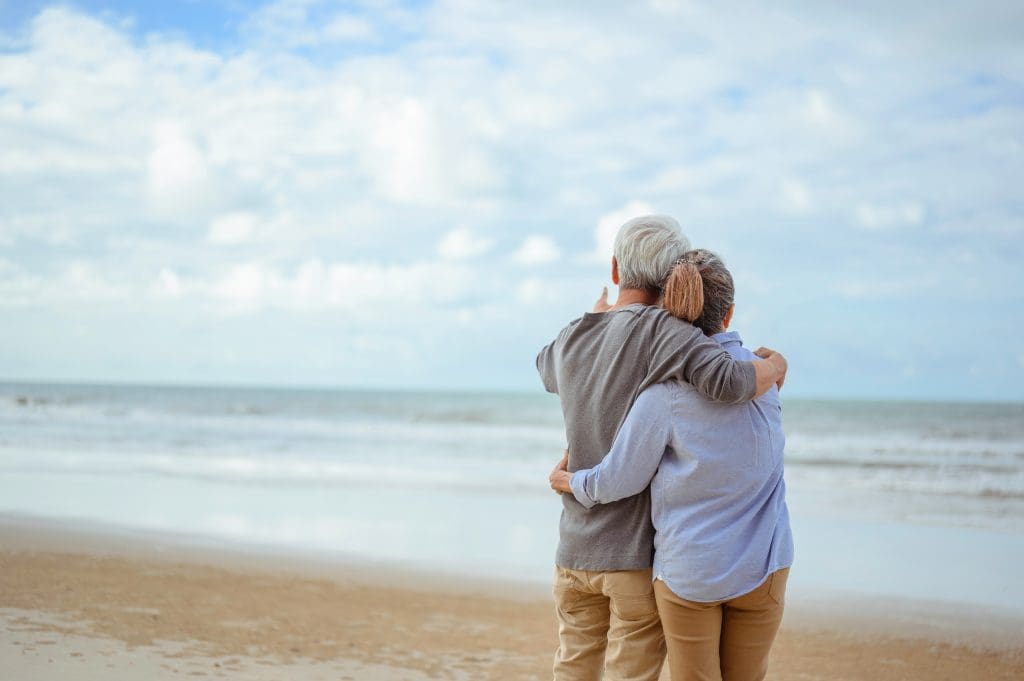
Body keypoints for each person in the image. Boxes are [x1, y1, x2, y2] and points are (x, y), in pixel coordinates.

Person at [536, 217, 788, 681]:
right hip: (630, 556)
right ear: (675, 279)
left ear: (615, 269)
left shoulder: (575, 334)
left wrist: (598, 317)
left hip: (572, 549)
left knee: (572, 666)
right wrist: (774, 366)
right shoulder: (668, 333)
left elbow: (546, 367)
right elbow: (731, 380)